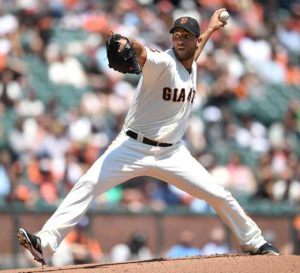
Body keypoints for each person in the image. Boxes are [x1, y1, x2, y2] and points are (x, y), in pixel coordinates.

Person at [17, 9, 279, 266]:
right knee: (87, 185)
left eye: (186, 35)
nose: (179, 39)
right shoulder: (162, 62)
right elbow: (142, 53)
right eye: (176, 34)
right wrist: (129, 43)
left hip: (172, 153)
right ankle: (45, 244)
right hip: (131, 146)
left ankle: (255, 242)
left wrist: (211, 28)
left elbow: (196, 49)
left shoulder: (192, 62)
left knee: (219, 195)